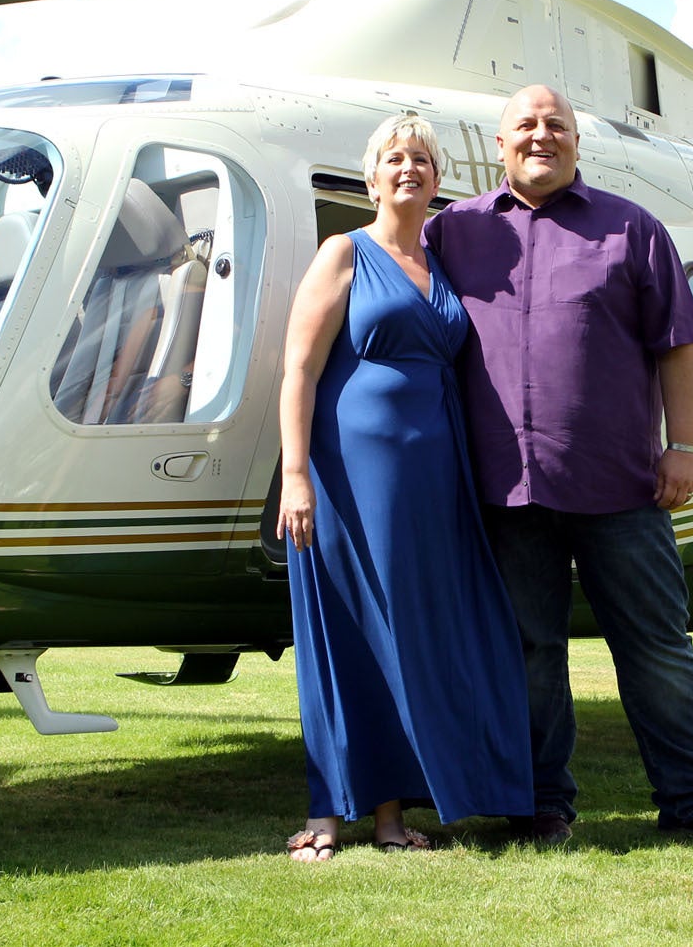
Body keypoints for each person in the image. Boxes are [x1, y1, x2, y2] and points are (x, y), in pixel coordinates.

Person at [424, 83, 693, 844]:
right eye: (525, 124)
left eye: (556, 125)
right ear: (499, 143)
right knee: (529, 654)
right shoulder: (454, 232)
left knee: (656, 647)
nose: (540, 135)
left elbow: (680, 343)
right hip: (503, 489)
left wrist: (684, 447)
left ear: (577, 143)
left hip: (621, 485)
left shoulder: (631, 228)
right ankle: (540, 806)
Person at [275, 112, 533, 861]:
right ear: (370, 177)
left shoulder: (442, 264)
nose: (408, 169)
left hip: (433, 482)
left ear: (438, 179)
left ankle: (390, 820)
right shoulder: (343, 254)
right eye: (394, 158)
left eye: (421, 159)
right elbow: (299, 369)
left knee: (409, 640)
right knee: (351, 635)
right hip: (351, 480)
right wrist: (295, 474)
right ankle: (330, 814)